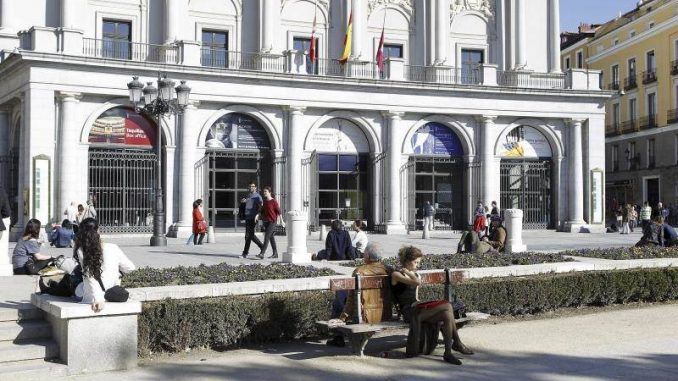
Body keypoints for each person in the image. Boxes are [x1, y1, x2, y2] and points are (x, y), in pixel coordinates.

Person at [391, 246, 473, 365]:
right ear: (407, 261)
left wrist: (411, 273)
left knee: (446, 314)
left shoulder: (414, 274)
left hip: (418, 309)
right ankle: (457, 343)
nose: (417, 265)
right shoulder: (396, 274)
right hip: (409, 312)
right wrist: (409, 273)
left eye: (419, 262)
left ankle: (448, 353)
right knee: (447, 306)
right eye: (416, 262)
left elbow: (416, 296)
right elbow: (417, 282)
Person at [327, 243, 391, 347]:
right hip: (385, 314)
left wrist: (343, 318)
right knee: (342, 295)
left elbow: (351, 301)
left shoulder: (360, 271)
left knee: (339, 298)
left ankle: (337, 337)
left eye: (365, 253)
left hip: (366, 316)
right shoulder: (389, 270)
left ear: (368, 256)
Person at [75, 218, 135, 312]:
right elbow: (130, 268)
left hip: (91, 297)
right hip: (111, 293)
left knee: (75, 285)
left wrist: (98, 299)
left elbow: (89, 276)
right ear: (98, 230)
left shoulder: (81, 250)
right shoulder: (113, 247)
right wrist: (118, 272)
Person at [256, 186, 281, 259]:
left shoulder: (273, 201)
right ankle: (275, 253)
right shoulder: (265, 201)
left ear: (270, 192)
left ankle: (262, 253)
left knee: (266, 237)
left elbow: (279, 211)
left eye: (265, 191)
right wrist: (258, 215)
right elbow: (262, 210)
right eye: (263, 192)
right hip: (266, 221)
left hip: (272, 222)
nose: (264, 193)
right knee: (271, 237)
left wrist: (282, 221)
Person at [241, 182, 264, 258]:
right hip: (248, 217)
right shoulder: (249, 195)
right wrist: (244, 202)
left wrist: (258, 215)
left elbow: (261, 206)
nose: (251, 187)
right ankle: (262, 246)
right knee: (250, 235)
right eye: (250, 186)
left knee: (248, 235)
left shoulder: (257, 196)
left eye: (252, 186)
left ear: (255, 187)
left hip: (253, 218)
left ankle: (245, 253)